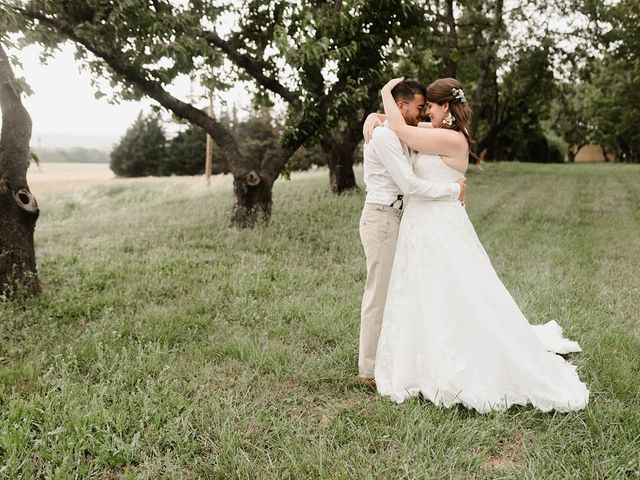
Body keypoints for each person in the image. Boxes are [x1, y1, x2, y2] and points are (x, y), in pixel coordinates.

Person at [369, 77, 589, 412]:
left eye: (430, 106)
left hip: (441, 224)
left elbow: (403, 131)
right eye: (423, 107)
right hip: (422, 224)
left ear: (446, 107)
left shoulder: (452, 138)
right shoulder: (436, 130)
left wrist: (385, 93)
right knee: (424, 291)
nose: (425, 112)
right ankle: (420, 356)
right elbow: (398, 125)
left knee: (455, 291)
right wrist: (374, 118)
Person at [358, 79, 466, 388]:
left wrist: (377, 114)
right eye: (419, 107)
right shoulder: (385, 138)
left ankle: (395, 356)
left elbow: (423, 128)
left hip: (401, 218)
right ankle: (368, 369)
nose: (421, 114)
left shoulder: (402, 130)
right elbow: (408, 184)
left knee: (399, 292)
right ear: (401, 106)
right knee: (378, 294)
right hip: (382, 218)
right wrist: (452, 190)